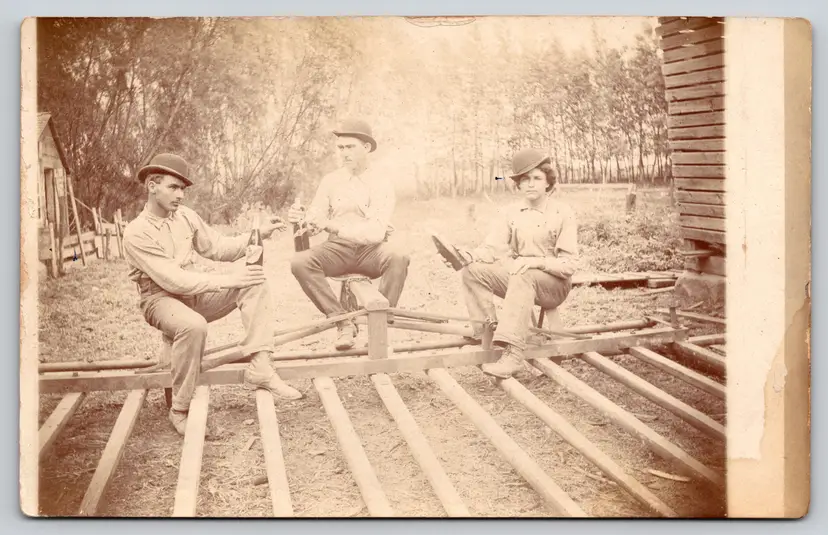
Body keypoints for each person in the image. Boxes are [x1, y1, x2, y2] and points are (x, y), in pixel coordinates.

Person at [123, 153, 302, 436]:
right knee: (192, 326)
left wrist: (259, 233)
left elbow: (218, 248)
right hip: (159, 298)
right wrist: (226, 280)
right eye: (173, 187)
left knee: (253, 281)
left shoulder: (186, 217)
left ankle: (261, 367)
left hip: (194, 294)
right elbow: (173, 279)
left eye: (183, 189)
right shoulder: (137, 232)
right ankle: (180, 410)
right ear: (152, 185)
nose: (181, 195)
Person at [432, 148, 578, 379]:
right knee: (473, 271)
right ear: (518, 185)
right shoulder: (510, 212)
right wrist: (467, 256)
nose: (530, 184)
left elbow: (568, 265)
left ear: (548, 182)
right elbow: (492, 249)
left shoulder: (562, 212)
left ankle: (513, 355)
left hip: (555, 286)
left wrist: (535, 262)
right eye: (524, 180)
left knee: (523, 271)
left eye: (537, 178)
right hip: (521, 282)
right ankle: (485, 330)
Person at [288, 119, 410, 350]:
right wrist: (302, 218)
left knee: (399, 256)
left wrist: (331, 225)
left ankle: (380, 320)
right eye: (340, 148)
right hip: (338, 250)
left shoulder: (382, 183)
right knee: (300, 261)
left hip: (371, 251)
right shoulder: (331, 181)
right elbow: (316, 217)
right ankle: (341, 321)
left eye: (350, 147)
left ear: (366, 148)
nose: (344, 153)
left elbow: (375, 232)